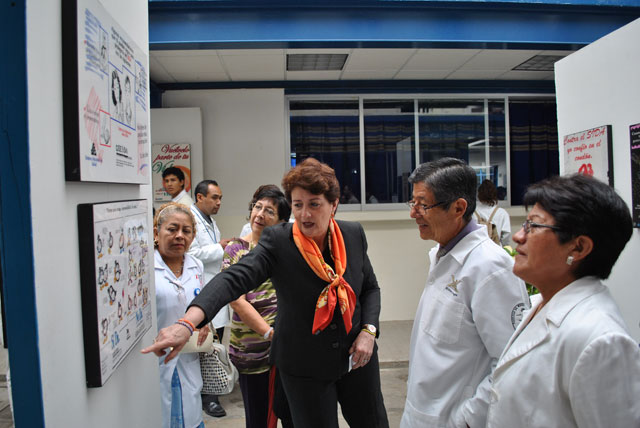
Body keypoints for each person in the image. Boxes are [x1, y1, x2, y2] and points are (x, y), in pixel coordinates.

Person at [143, 157, 389, 428]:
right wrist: (187, 323)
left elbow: (370, 288)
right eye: (298, 205)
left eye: (314, 204)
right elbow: (233, 279)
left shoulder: (352, 234)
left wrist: (368, 331)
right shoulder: (280, 241)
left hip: (357, 355)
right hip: (304, 364)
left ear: (334, 204)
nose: (304, 215)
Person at [486, 174, 640, 427]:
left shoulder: (600, 340)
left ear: (578, 248)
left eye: (533, 226)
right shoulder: (542, 304)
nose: (518, 237)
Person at [401, 158, 530, 428]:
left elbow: (511, 363)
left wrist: (468, 420)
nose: (414, 213)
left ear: (458, 208)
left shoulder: (491, 268)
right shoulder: (442, 254)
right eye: (412, 202)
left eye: (423, 205)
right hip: (421, 413)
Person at [224, 185, 293, 428]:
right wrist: (269, 333)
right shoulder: (236, 249)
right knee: (259, 419)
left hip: (286, 350)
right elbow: (237, 300)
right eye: (257, 207)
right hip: (252, 350)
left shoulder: (286, 249)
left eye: (269, 211)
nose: (260, 214)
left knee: (292, 415)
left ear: (282, 221)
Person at [153, 202, 210, 428]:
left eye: (186, 231)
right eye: (172, 229)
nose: (179, 236)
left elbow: (201, 304)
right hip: (156, 359)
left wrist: (204, 322)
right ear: (156, 232)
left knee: (191, 415)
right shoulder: (145, 268)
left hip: (188, 356)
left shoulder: (196, 265)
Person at [187, 179, 232, 417]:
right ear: (200, 197)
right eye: (215, 197)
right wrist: (220, 247)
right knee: (204, 346)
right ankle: (208, 398)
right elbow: (192, 253)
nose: (219, 202)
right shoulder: (191, 220)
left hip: (215, 286)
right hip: (201, 288)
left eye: (220, 198)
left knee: (216, 342)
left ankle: (212, 390)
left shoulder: (210, 221)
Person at [476, 179, 511, 246]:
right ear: (495, 194)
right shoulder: (502, 213)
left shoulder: (472, 213)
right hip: (496, 248)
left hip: (478, 249)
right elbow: (506, 235)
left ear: (479, 194)